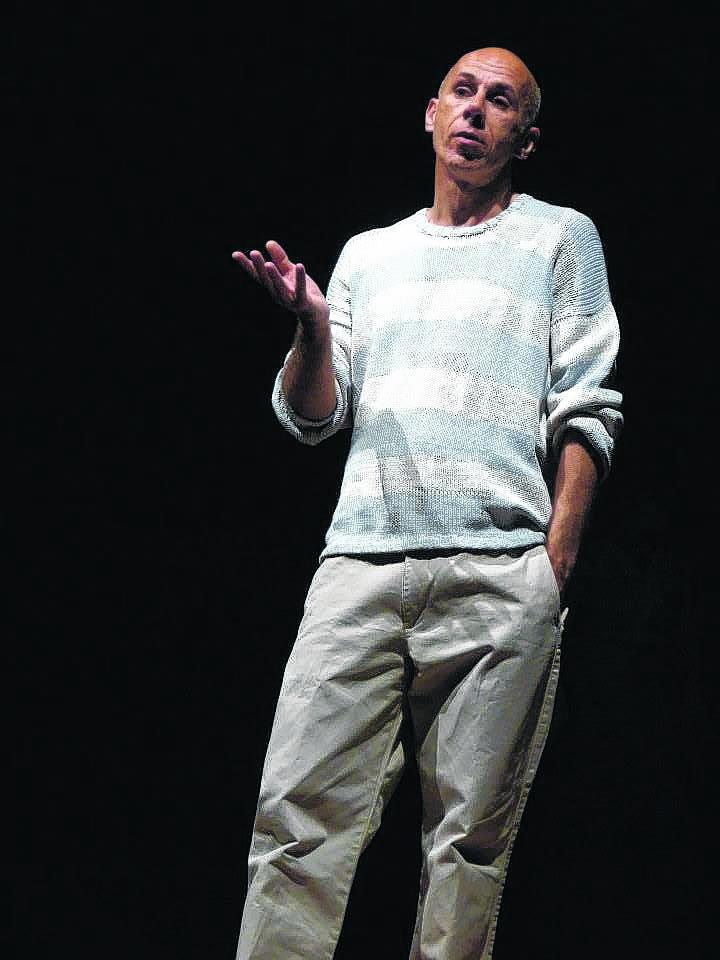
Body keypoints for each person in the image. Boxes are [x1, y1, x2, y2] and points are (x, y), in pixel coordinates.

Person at [231, 46, 622, 960]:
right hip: (361, 569)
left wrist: (554, 562)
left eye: (501, 101)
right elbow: (314, 417)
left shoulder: (561, 239)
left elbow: (587, 405)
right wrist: (312, 327)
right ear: (431, 113)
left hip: (500, 574)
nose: (476, 111)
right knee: (294, 826)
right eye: (462, 92)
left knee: (467, 846)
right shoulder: (369, 255)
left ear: (526, 137)